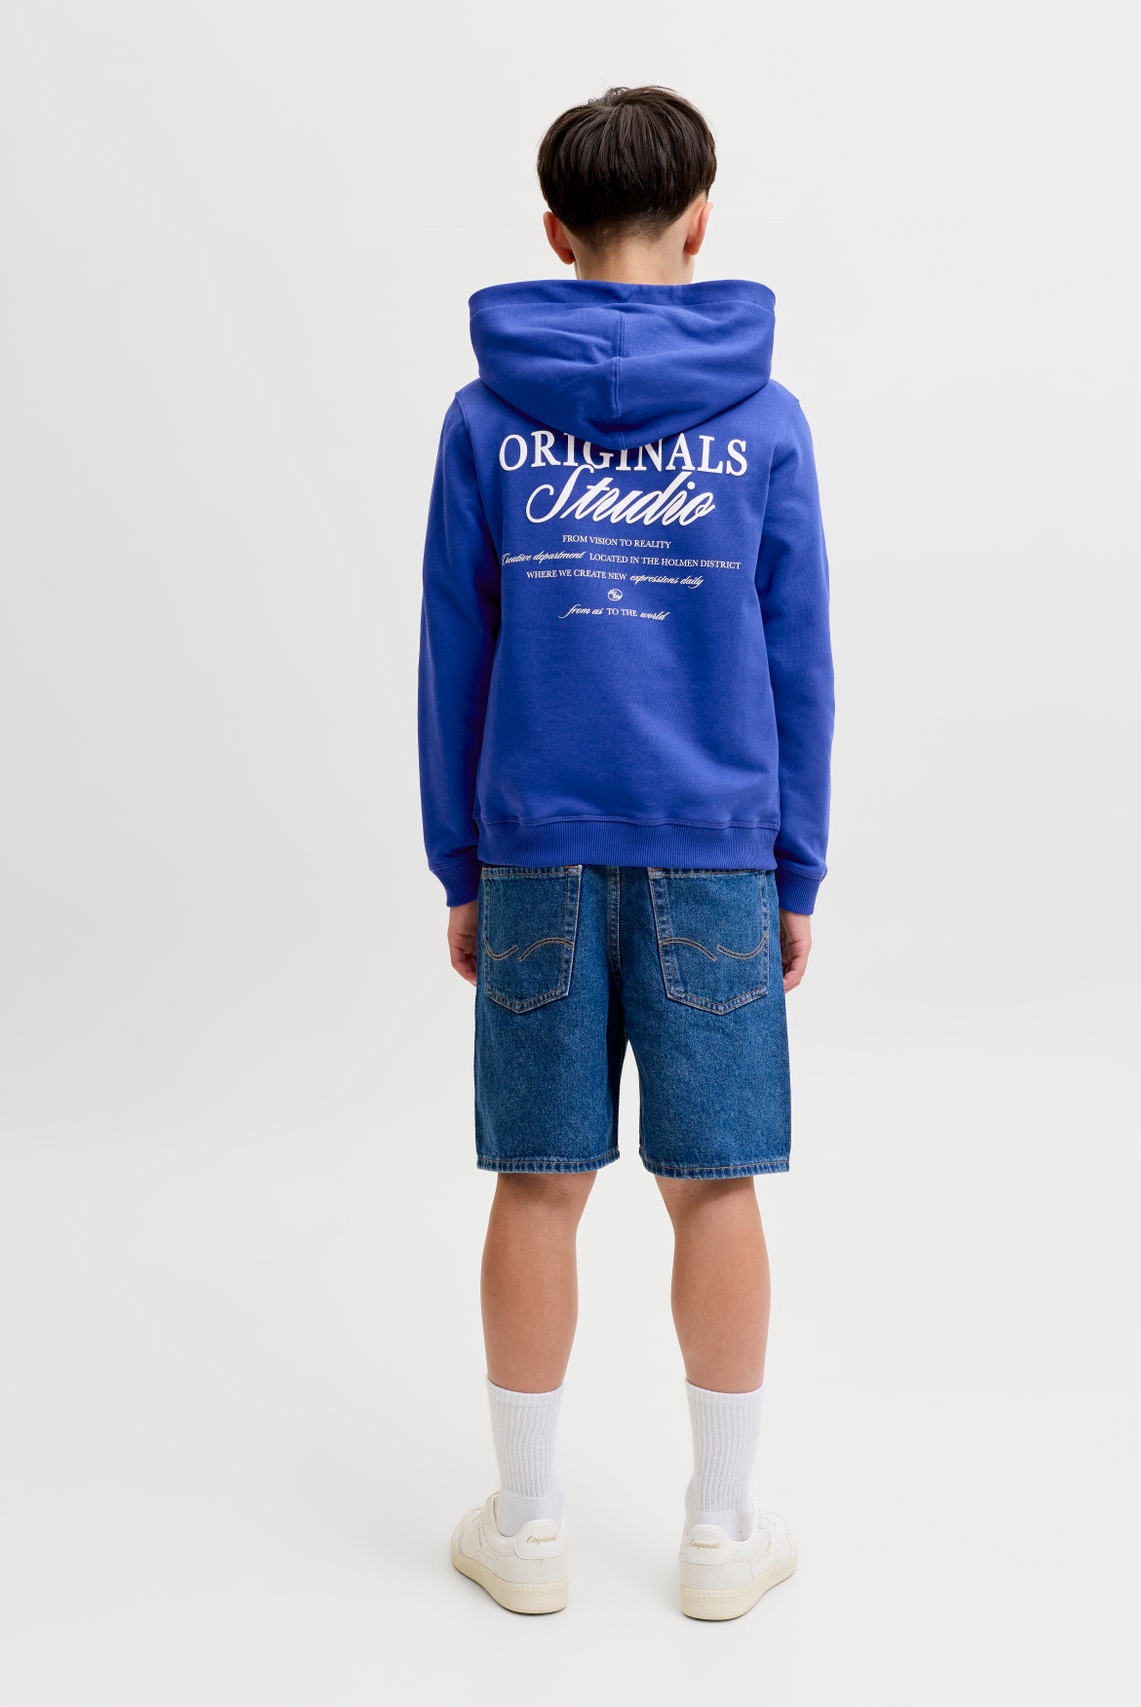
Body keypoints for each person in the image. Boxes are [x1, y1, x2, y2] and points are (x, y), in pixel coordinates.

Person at [416, 85, 835, 1620]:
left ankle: (527, 1528)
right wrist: (795, 867)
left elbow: (455, 653)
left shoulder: (486, 421)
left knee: (539, 1187)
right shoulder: (763, 423)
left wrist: (462, 862)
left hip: (535, 846)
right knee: (713, 1189)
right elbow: (799, 660)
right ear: (701, 218)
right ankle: (722, 1535)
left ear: (555, 233)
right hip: (716, 854)